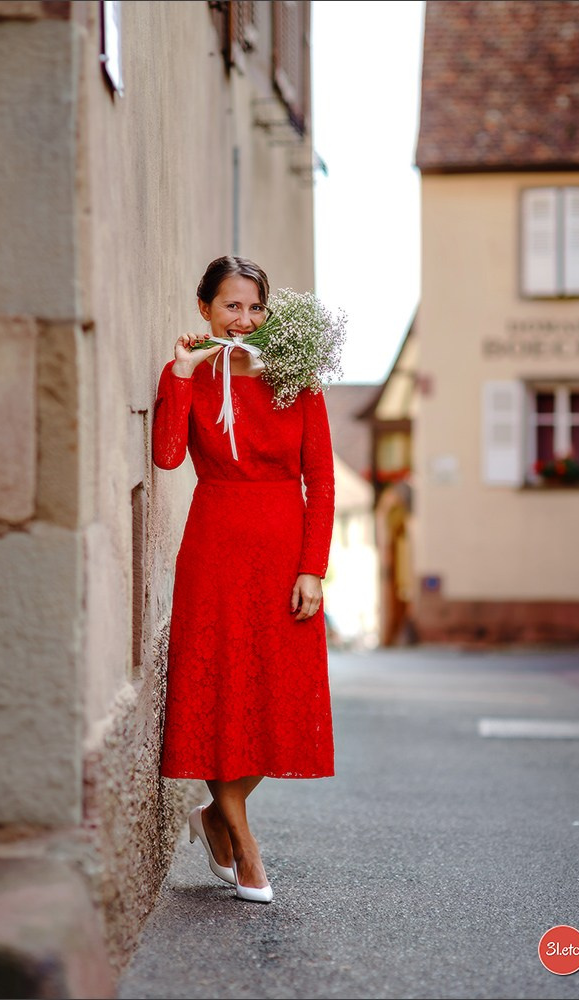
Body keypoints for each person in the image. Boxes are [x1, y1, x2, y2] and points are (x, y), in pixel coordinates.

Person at [152, 255, 335, 904]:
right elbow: (167, 455)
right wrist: (181, 373)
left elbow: (322, 480)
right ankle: (243, 841)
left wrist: (312, 567)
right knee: (221, 692)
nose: (245, 319)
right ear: (204, 309)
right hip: (214, 551)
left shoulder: (295, 375)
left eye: (256, 307)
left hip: (283, 553)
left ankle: (214, 818)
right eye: (231, 306)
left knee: (276, 700)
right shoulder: (190, 375)